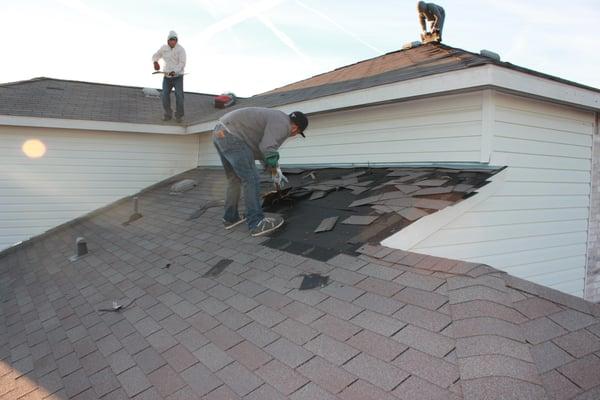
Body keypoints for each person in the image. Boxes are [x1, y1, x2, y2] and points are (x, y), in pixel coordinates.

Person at [212, 107, 308, 237]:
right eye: (297, 133)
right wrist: (275, 170)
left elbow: (262, 151)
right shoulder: (284, 125)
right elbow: (268, 147)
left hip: (220, 133)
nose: (293, 135)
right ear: (296, 129)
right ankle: (256, 223)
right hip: (232, 136)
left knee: (235, 179)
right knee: (251, 179)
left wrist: (273, 171)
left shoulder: (277, 118)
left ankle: (230, 218)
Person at [152, 31, 186, 122]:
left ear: (176, 41)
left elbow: (182, 64)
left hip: (178, 77)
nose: (173, 42)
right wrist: (155, 62)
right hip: (167, 77)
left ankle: (179, 115)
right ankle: (168, 114)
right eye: (171, 40)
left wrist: (174, 72)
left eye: (174, 40)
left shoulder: (181, 50)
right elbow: (156, 55)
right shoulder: (163, 48)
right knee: (164, 95)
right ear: (168, 41)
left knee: (179, 95)